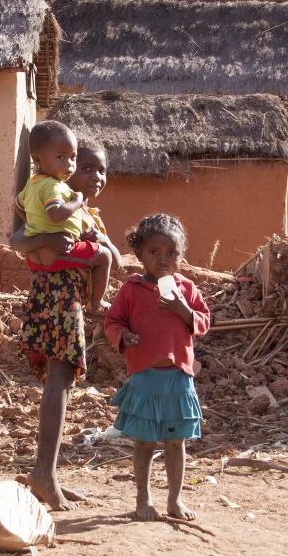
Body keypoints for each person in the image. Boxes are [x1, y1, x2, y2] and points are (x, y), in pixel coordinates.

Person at [11, 136, 122, 511]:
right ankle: (43, 473)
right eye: (83, 166)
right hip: (56, 293)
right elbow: (17, 239)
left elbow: (114, 259)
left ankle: (47, 471)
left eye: (100, 169)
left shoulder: (85, 215)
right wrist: (49, 239)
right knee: (60, 379)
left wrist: (89, 238)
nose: (93, 174)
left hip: (66, 294)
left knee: (62, 379)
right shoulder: (51, 195)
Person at [103, 213, 212, 522]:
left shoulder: (186, 288)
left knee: (176, 442)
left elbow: (203, 322)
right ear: (139, 254)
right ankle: (143, 499)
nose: (163, 259)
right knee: (145, 442)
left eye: (171, 253)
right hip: (145, 378)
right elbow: (114, 321)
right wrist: (124, 336)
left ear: (181, 254)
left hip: (178, 378)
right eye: (154, 252)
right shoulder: (132, 290)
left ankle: (175, 500)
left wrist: (184, 311)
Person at [14, 120, 113, 315]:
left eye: (73, 158)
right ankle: (96, 304)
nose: (69, 165)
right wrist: (47, 236)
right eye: (61, 157)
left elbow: (17, 204)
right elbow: (18, 239)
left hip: (45, 272)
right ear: (39, 160)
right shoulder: (54, 187)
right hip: (63, 283)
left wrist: (34, 223)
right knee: (104, 256)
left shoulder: (32, 186)